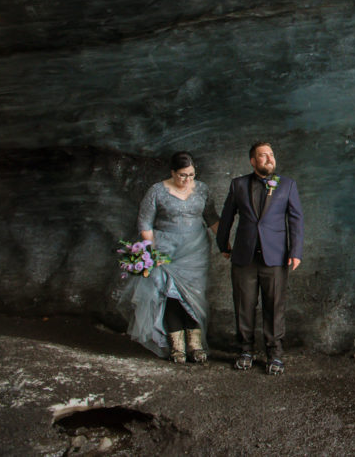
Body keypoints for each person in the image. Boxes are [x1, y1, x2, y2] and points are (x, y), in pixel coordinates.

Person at [118, 151, 219, 364]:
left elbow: (211, 217)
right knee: (171, 295)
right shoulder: (157, 191)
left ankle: (195, 344)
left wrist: (226, 242)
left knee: (194, 297)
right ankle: (176, 345)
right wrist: (153, 252)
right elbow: (145, 223)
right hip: (166, 251)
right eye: (182, 175)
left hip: (196, 251)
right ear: (172, 172)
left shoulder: (202, 189)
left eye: (191, 175)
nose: (187, 180)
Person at [216, 141, 304, 375]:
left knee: (274, 307)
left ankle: (274, 354)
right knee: (244, 306)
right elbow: (227, 217)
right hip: (244, 257)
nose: (268, 159)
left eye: (271, 155)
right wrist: (222, 243)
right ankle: (245, 350)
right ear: (253, 161)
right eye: (262, 156)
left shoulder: (287, 185)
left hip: (275, 257)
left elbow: (295, 220)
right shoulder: (238, 185)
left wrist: (295, 251)